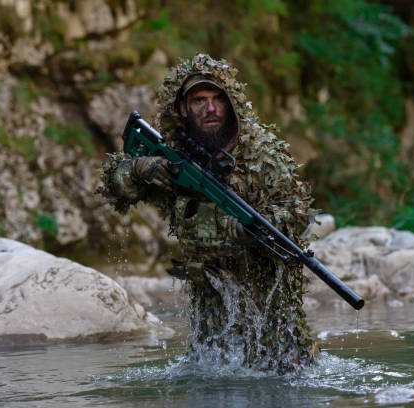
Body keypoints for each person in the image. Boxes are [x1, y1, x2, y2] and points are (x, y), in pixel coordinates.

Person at [99, 53, 316, 373]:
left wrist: (242, 228)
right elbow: (116, 191)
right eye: (200, 100)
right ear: (183, 108)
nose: (210, 108)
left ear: (231, 103)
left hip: (269, 311)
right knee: (209, 382)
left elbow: (295, 213)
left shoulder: (263, 153)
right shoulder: (174, 153)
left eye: (218, 99)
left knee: (284, 378)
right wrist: (138, 170)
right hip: (209, 308)